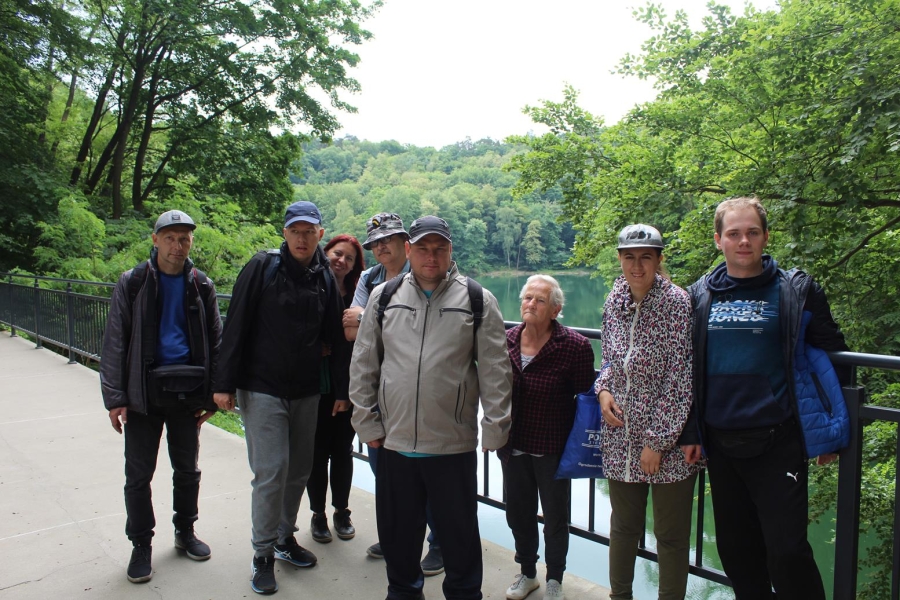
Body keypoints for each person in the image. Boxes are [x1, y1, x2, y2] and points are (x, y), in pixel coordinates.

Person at [683, 197, 849, 600]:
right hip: (721, 444)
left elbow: (833, 358)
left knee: (788, 551)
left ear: (765, 237)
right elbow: (684, 370)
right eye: (734, 233)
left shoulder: (797, 291)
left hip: (779, 441)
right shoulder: (697, 297)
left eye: (752, 232)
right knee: (738, 553)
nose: (744, 241)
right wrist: (692, 432)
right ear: (719, 240)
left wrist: (829, 431)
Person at [350, 215, 513, 600]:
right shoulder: (384, 296)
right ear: (410, 250)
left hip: (451, 443)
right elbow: (364, 364)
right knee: (398, 534)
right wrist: (365, 422)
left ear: (450, 250)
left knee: (458, 535)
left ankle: (464, 594)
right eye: (423, 248)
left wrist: (496, 428)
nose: (431, 256)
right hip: (394, 441)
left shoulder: (476, 299)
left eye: (439, 248)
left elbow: (495, 370)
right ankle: (404, 593)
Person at [212, 201, 351, 595]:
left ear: (320, 235)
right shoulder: (262, 267)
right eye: (295, 231)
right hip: (262, 386)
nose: (302, 238)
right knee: (271, 472)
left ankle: (284, 538)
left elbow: (336, 338)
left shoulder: (323, 276)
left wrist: (341, 390)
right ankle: (262, 556)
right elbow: (234, 323)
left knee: (299, 471)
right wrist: (223, 384)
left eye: (310, 231)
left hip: (307, 389)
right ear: (285, 233)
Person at [100, 209, 221, 584]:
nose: (177, 245)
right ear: (155, 240)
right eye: (170, 237)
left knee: (187, 470)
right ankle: (141, 544)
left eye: (184, 238)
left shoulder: (201, 284)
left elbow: (217, 341)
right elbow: (115, 341)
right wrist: (115, 397)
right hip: (141, 394)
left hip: (187, 393)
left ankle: (185, 531)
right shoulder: (133, 282)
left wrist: (215, 394)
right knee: (138, 475)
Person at [597, 224, 700, 600]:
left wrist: (657, 441)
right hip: (620, 435)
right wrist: (603, 388)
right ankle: (619, 596)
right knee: (623, 527)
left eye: (645, 257)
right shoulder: (614, 301)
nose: (636, 266)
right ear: (620, 260)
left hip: (668, 443)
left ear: (658, 260)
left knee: (670, 536)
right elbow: (608, 357)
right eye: (629, 257)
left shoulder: (677, 303)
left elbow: (681, 377)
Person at [342, 212, 444, 576]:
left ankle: (439, 544)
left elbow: (407, 328)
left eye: (389, 240)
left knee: (426, 473)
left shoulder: (422, 278)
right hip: (378, 389)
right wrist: (370, 321)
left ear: (407, 244)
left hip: (414, 391)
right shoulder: (370, 277)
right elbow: (351, 329)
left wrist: (367, 319)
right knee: (384, 472)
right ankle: (395, 537)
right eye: (375, 243)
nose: (382, 247)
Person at [501, 275, 595, 600]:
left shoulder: (575, 346)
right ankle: (527, 573)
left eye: (540, 300)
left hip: (553, 447)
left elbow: (585, 401)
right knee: (517, 514)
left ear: (555, 309)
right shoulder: (507, 340)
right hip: (513, 445)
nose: (531, 304)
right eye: (527, 298)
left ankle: (554, 578)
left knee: (555, 518)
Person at [307, 234, 365, 543]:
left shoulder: (358, 298)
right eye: (337, 253)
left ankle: (342, 511)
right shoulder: (308, 286)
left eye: (350, 258)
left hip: (349, 385)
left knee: (342, 451)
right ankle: (318, 515)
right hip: (313, 386)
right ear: (325, 252)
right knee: (316, 453)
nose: (341, 260)